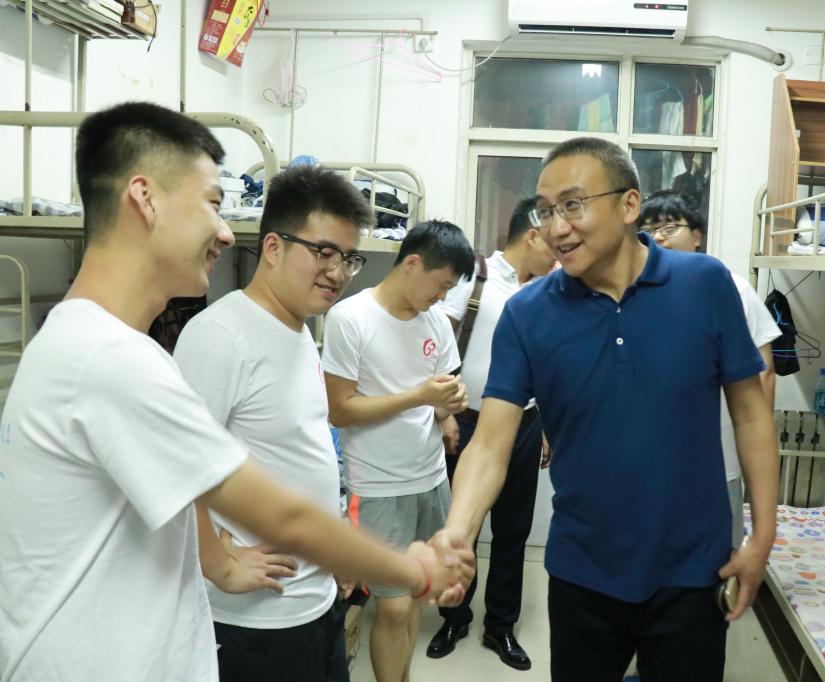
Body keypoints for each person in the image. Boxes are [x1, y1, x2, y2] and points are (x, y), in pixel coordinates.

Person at [0, 102, 471, 682]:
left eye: (347, 258)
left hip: (260, 613)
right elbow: (281, 515)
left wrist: (333, 554)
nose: (226, 232)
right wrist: (411, 569)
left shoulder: (100, 344)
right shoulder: (116, 358)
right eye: (212, 203)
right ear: (145, 199)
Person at [431, 136, 780, 682]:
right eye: (546, 210)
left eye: (573, 204)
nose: (556, 227)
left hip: (692, 570)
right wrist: (458, 532)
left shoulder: (705, 284)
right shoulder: (528, 314)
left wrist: (762, 537)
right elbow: (492, 444)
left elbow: (752, 414)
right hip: (582, 571)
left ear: (629, 204)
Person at [173, 163, 373, 682]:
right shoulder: (221, 336)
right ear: (274, 247)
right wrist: (217, 562)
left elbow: (298, 452)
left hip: (315, 600)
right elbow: (177, 466)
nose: (339, 272)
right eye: (324, 252)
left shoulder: (299, 330)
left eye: (349, 258)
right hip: (256, 622)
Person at [323, 219, 475, 682]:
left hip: (430, 478)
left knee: (416, 595)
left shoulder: (436, 323)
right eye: (440, 284)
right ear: (411, 264)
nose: (442, 297)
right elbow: (340, 411)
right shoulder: (350, 318)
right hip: (377, 485)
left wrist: (449, 407)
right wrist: (418, 397)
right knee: (391, 607)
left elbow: (439, 397)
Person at [426, 198, 556, 670]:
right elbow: (439, 340)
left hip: (526, 420)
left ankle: (500, 625)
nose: (559, 254)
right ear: (532, 236)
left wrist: (546, 425)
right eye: (552, 242)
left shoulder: (549, 291)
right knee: (463, 523)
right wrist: (443, 413)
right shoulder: (476, 276)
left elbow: (548, 363)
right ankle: (454, 617)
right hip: (468, 419)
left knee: (513, 529)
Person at [638, 189, 781, 548]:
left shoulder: (731, 289)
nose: (658, 238)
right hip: (647, 460)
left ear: (697, 235)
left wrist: (755, 447)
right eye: (649, 229)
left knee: (716, 557)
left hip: (719, 458)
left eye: (669, 227)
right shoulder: (634, 293)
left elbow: (764, 371)